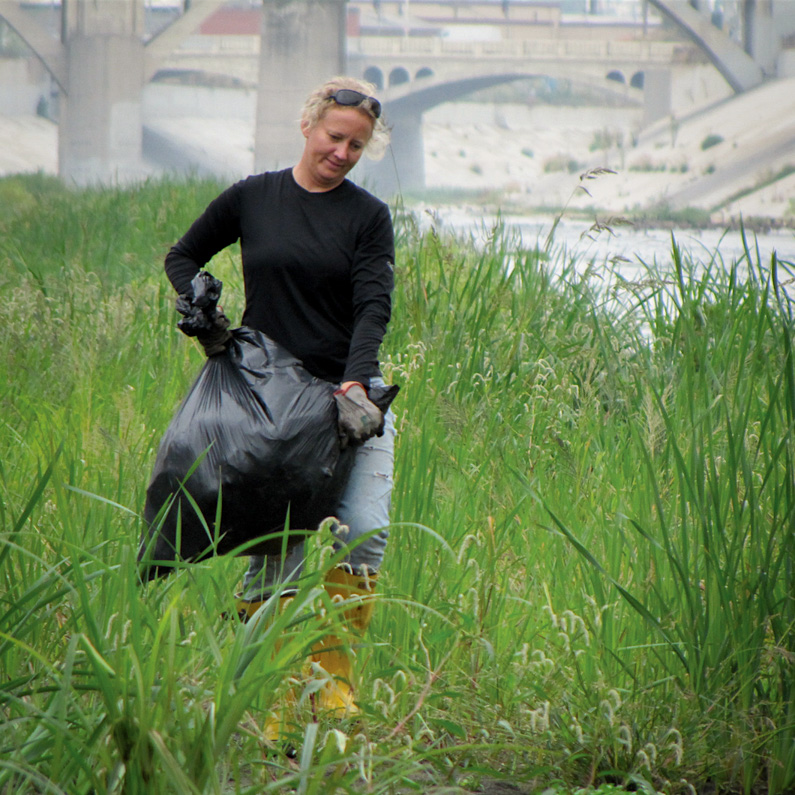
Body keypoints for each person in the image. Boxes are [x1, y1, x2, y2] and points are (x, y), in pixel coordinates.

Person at [162, 76, 396, 739]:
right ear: (308, 125)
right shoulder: (253, 197)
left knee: (363, 528)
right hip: (267, 401)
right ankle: (275, 697)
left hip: (349, 394)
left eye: (356, 144)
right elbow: (182, 255)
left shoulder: (368, 216)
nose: (343, 153)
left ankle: (334, 688)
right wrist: (199, 296)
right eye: (334, 137)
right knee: (280, 549)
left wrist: (355, 383)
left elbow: (373, 304)